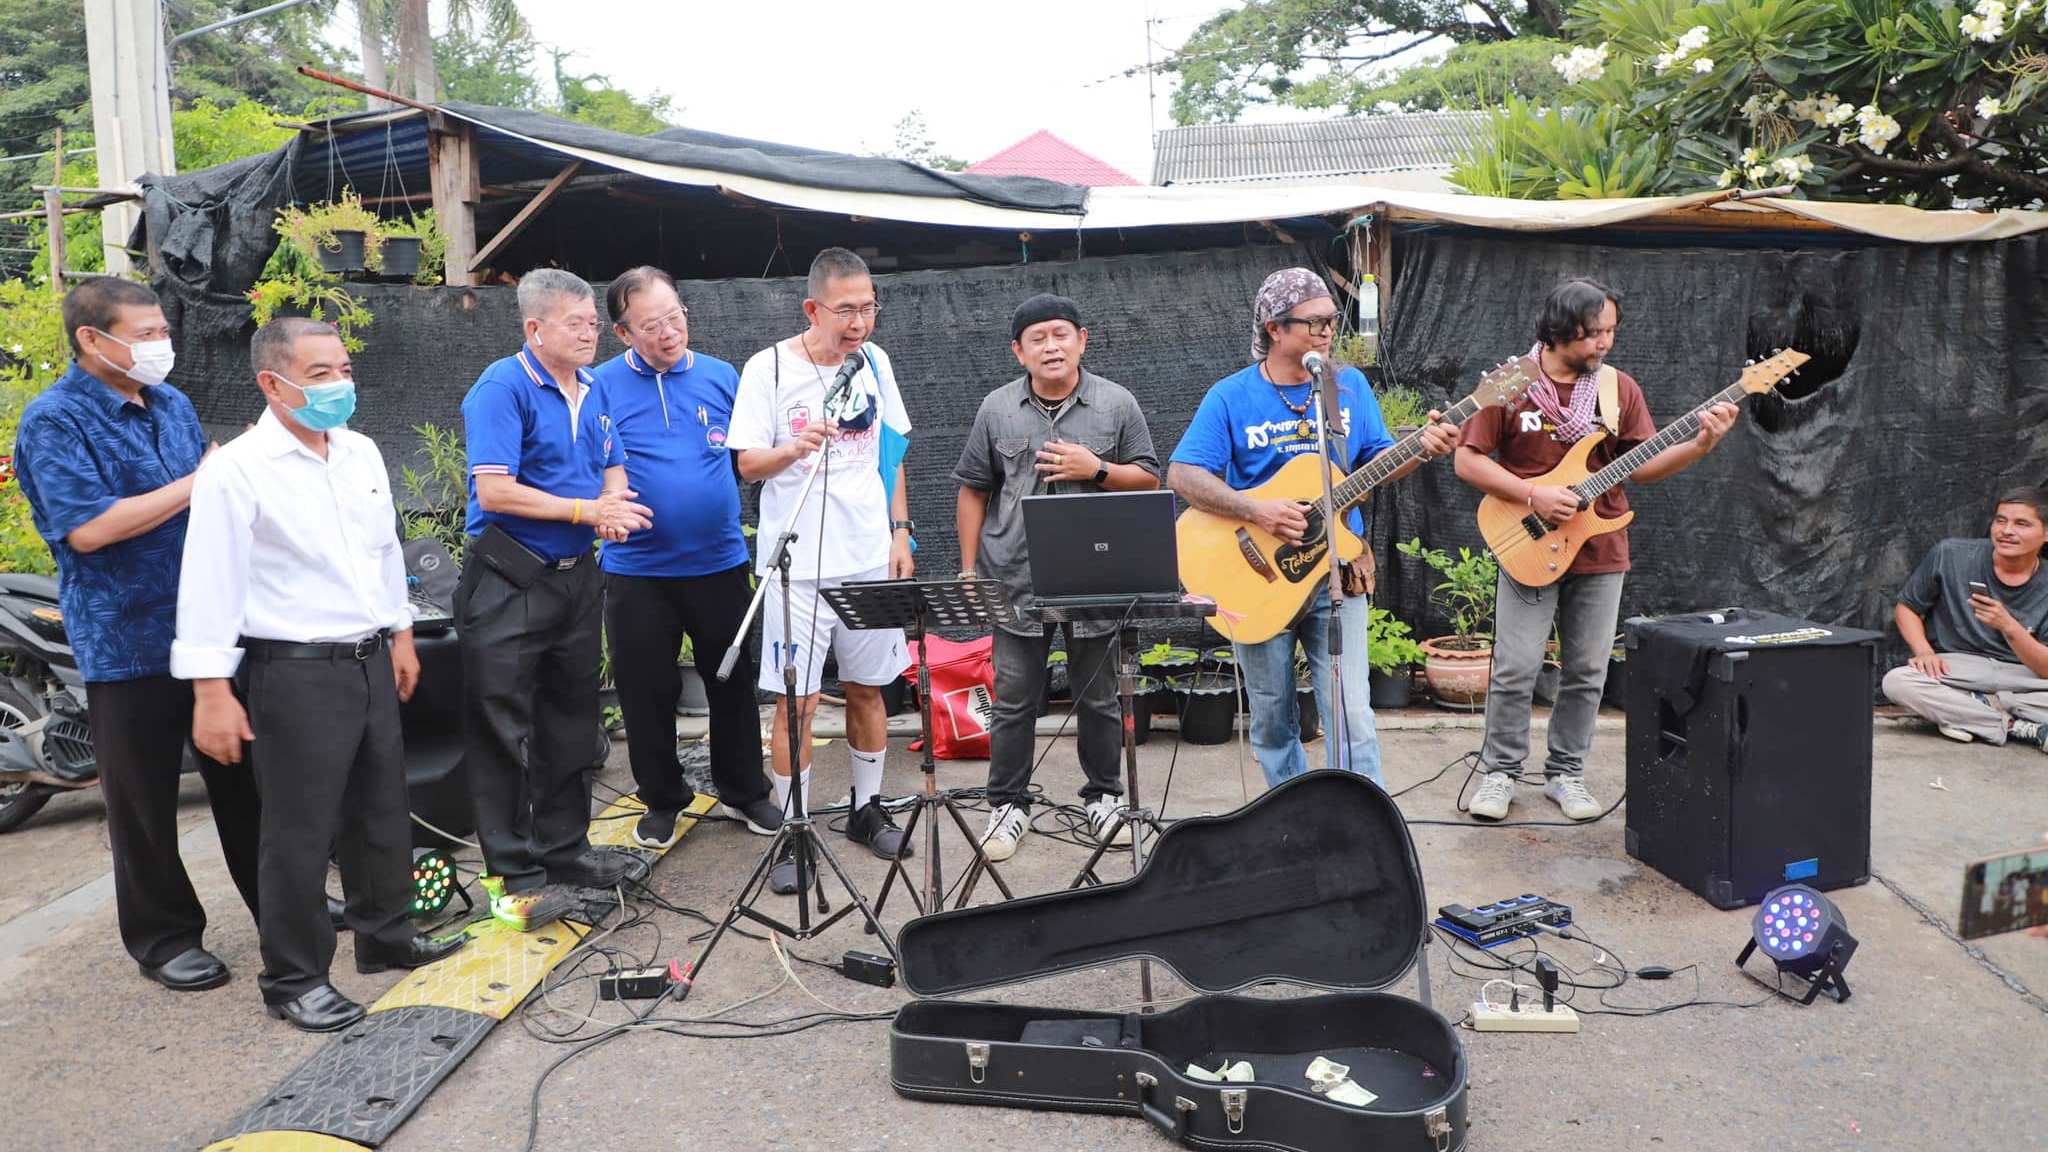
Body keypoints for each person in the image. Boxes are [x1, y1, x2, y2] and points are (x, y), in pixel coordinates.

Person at [172, 317, 466, 1030]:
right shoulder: (235, 471)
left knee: (380, 809)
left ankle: (386, 935)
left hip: (369, 657)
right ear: (273, 383)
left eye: (343, 369)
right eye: (320, 375)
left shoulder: (359, 451)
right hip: (295, 671)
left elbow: (383, 550)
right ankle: (294, 977)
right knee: (299, 834)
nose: (340, 385)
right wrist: (211, 691)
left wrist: (400, 633)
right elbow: (208, 583)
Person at [13, 277, 261, 993]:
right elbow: (91, 528)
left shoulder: (172, 405)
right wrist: (205, 479)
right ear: (93, 339)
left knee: (249, 779)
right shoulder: (54, 421)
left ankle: (280, 901)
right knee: (144, 799)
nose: (161, 345)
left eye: (162, 332)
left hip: (211, 624)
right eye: (146, 333)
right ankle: (164, 938)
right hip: (128, 637)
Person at [1454, 278, 1737, 822]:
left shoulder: (1618, 389)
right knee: (1515, 667)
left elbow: (1643, 465)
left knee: (1586, 669)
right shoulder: (1509, 382)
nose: (1605, 342)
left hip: (1601, 544)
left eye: (1610, 331)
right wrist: (1534, 493)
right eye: (1593, 333)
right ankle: (1500, 772)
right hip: (1528, 543)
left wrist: (1701, 445)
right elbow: (1468, 461)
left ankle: (1567, 774)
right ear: (1561, 331)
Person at [1167, 267, 1458, 788]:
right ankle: (1289, 816)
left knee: (1351, 713)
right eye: (1315, 322)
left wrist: (1422, 447)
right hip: (1257, 575)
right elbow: (1184, 473)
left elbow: (1379, 460)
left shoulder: (1346, 388)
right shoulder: (1230, 396)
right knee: (1274, 715)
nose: (1328, 331)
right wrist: (1255, 511)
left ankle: (1363, 818)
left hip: (1337, 574)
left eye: (1332, 321)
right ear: (1274, 328)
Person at [460, 269, 654, 930]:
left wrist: (615, 506)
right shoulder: (502, 387)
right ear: (535, 328)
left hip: (576, 577)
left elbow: (612, 462)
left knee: (572, 718)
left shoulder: (594, 387)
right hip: (509, 578)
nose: (590, 332)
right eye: (576, 323)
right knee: (503, 728)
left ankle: (565, 851)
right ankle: (513, 878)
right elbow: (495, 492)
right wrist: (586, 508)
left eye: (593, 322)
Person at [730, 247, 913, 894]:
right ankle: (794, 829)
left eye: (867, 308)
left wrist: (900, 531)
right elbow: (746, 466)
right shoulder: (768, 370)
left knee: (870, 688)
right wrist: (791, 449)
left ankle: (866, 809)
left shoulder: (876, 363)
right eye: (845, 310)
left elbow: (892, 449)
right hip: (796, 567)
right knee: (798, 702)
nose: (859, 322)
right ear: (813, 309)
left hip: (868, 559)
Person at [954, 293, 1160, 862]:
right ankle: (1008, 806)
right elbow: (973, 488)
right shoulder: (996, 409)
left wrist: (1094, 470)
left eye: (1061, 334)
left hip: (1095, 575)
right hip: (1014, 578)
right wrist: (969, 569)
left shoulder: (1117, 404)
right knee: (1016, 699)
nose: (1052, 346)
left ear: (1082, 341)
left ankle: (1104, 799)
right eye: (1038, 338)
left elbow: (1148, 478)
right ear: (1018, 351)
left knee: (1098, 700)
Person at [593, 266, 783, 847]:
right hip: (637, 570)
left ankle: (744, 790)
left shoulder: (723, 377)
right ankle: (662, 797)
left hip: (720, 561)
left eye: (675, 316)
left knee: (731, 679)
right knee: (644, 688)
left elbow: (748, 456)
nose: (670, 332)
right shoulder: (598, 385)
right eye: (652, 325)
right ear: (624, 333)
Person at [1880, 486, 2048, 751]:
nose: (2006, 531)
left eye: (2022, 524)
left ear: (2046, 534)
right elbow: (1906, 608)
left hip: (2024, 675)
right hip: (1958, 668)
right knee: (1898, 681)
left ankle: (1974, 708)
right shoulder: (1951, 554)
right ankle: (2017, 726)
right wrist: (1923, 651)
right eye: (2000, 520)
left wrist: (2009, 627)